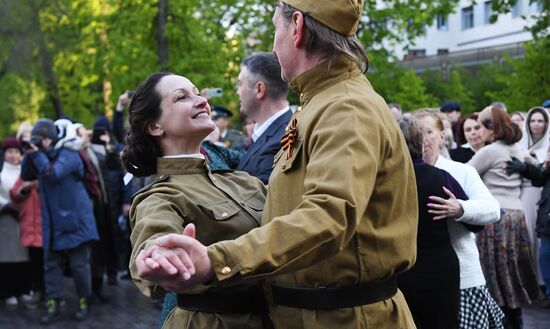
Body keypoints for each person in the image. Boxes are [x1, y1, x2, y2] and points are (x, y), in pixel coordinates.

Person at [139, 1, 419, 328]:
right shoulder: (322, 104)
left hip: (343, 318)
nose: (274, 44)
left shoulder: (345, 107)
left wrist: (216, 261)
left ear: (296, 27)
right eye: (181, 97)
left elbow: (328, 216)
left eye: (276, 28)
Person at [123, 72, 269, 329]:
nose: (201, 101)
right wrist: (161, 256)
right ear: (155, 126)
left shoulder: (244, 181)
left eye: (198, 93)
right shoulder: (159, 196)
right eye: (182, 97)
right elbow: (154, 235)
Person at [414, 109, 504, 329]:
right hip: (417, 278)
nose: (423, 140)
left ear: (442, 137)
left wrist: (460, 208)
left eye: (428, 132)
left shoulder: (461, 172)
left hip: (462, 277)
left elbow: (493, 209)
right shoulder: (402, 174)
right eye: (417, 134)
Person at [468, 106, 543, 329]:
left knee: (494, 274)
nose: (478, 131)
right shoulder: (516, 149)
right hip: (516, 216)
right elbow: (536, 171)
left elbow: (462, 174)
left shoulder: (490, 152)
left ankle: (500, 323)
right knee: (511, 272)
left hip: (496, 218)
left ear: (491, 127)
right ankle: (515, 321)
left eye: (480, 126)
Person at [21, 118, 99, 324]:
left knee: (79, 266)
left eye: (42, 139)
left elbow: (53, 173)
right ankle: (53, 303)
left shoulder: (70, 154)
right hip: (54, 222)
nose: (40, 142)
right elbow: (26, 174)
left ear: (51, 138)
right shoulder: (41, 156)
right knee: (51, 266)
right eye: (37, 139)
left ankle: (85, 300)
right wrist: (30, 155)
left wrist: (36, 154)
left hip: (76, 221)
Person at [397, 116, 467, 329]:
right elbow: (475, 224)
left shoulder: (384, 180)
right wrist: (458, 208)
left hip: (400, 267)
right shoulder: (441, 178)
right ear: (421, 143)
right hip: (440, 267)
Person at [236, 52, 292, 184]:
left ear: (259, 90)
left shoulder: (282, 141)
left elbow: (259, 200)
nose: (237, 91)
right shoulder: (269, 133)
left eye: (239, 84)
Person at [517, 106, 550, 286]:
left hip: (543, 194)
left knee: (542, 243)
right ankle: (530, 282)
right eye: (533, 120)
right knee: (528, 238)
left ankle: (543, 283)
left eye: (540, 120)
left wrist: (534, 162)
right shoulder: (521, 145)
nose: (536, 124)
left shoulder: (549, 145)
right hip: (525, 194)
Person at [0, 137, 31, 309]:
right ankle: (8, 292)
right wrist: (6, 206)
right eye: (10, 152)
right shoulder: (1, 175)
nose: (13, 155)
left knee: (24, 258)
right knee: (7, 259)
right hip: (6, 223)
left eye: (16, 152)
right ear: (4, 154)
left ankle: (24, 290)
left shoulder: (25, 172)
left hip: (24, 221)